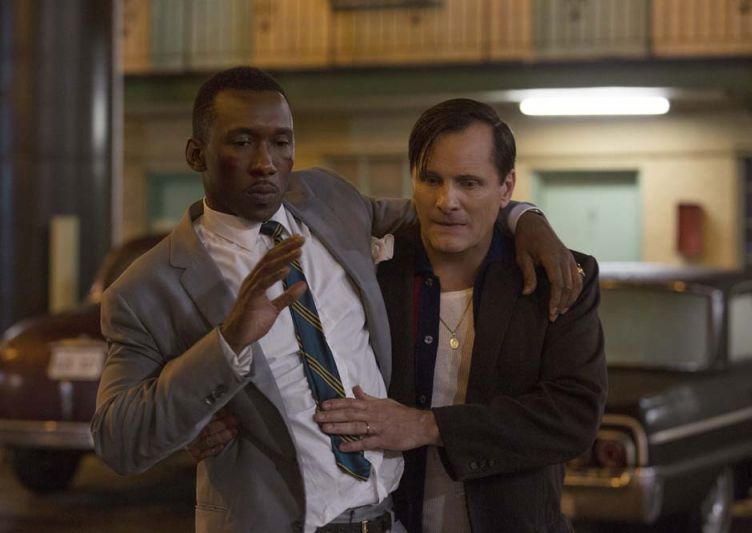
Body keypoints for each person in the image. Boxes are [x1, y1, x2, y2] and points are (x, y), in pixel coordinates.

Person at [91, 67, 581, 533]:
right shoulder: (146, 289)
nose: (265, 163)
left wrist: (525, 218)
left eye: (281, 143)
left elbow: (442, 212)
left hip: (386, 518)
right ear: (196, 154)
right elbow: (119, 441)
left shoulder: (325, 198)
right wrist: (227, 344)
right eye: (242, 142)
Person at [313, 99, 607, 533]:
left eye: (469, 183)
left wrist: (428, 425)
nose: (446, 201)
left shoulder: (556, 279)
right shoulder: (372, 273)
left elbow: (574, 417)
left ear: (506, 188)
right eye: (431, 179)